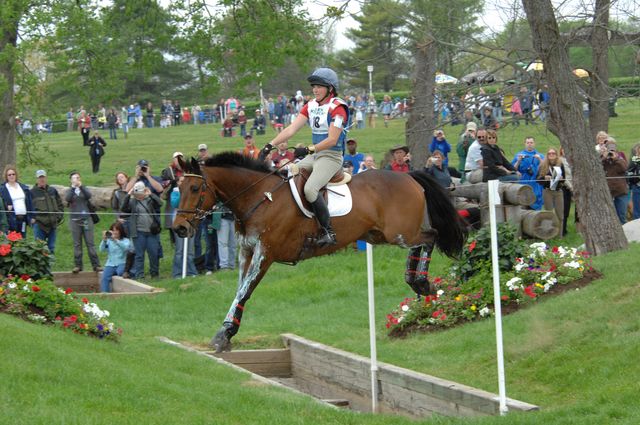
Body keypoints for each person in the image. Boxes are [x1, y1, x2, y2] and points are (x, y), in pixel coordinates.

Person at [259, 67, 349, 247]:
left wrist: (309, 149)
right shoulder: (311, 105)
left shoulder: (338, 108)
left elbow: (332, 140)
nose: (315, 89)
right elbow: (291, 129)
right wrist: (270, 145)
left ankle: (328, 231)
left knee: (310, 189)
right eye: (313, 86)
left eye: (319, 86)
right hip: (315, 155)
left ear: (330, 89)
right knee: (289, 173)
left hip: (331, 157)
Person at [121, 181, 163, 279]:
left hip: (152, 233)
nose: (139, 196)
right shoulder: (133, 202)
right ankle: (140, 275)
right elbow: (123, 208)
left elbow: (160, 203)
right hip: (138, 233)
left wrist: (151, 194)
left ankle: (155, 274)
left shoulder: (150, 200)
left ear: (144, 191)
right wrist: (128, 195)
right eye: (137, 194)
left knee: (153, 254)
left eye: (140, 194)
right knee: (139, 255)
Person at [65, 172, 101, 273]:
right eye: (73, 178)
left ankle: (96, 265)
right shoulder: (69, 190)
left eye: (77, 178)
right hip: (74, 220)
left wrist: (81, 187)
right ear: (70, 180)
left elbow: (88, 196)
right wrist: (73, 188)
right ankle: (78, 265)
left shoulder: (84, 189)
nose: (76, 180)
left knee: (90, 243)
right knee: (77, 244)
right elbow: (67, 199)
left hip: (86, 219)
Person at [30, 170, 64, 255]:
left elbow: (60, 204)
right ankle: (40, 268)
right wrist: (32, 219)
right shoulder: (32, 192)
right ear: (36, 179)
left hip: (53, 224)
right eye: (40, 177)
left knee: (51, 248)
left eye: (43, 177)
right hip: (39, 225)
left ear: (46, 178)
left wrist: (59, 217)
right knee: (39, 249)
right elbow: (28, 208)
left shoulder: (52, 190)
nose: (42, 179)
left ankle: (49, 268)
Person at [170, 177, 197, 278]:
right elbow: (175, 203)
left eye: (184, 181)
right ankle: (177, 273)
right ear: (177, 183)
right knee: (179, 250)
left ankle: (191, 272)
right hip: (179, 223)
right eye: (180, 181)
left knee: (190, 250)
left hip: (190, 222)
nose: (182, 183)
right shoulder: (175, 192)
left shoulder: (190, 192)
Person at [537, 148, 566, 235]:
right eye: (549, 153)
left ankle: (559, 235)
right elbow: (538, 179)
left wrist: (561, 179)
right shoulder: (543, 165)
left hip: (558, 191)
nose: (551, 155)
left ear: (556, 155)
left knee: (560, 214)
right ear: (547, 155)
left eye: (553, 153)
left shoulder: (560, 165)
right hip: (547, 191)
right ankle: (549, 234)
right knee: (549, 213)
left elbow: (564, 179)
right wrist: (544, 178)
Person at [0, 165, 33, 238]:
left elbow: (29, 203)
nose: (11, 176)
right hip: (11, 219)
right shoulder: (3, 189)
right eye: (9, 175)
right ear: (6, 176)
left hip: (23, 219)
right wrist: (7, 206)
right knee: (12, 241)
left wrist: (31, 216)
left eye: (13, 174)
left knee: (23, 240)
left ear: (16, 175)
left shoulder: (23, 187)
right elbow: (1, 204)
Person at [512, 137, 544, 210]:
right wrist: (519, 161)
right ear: (525, 144)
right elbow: (513, 169)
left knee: (536, 206)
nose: (529, 144)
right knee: (523, 206)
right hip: (523, 183)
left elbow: (546, 168)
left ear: (534, 144)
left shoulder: (540, 155)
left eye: (531, 142)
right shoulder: (518, 155)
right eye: (528, 142)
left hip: (536, 184)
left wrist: (539, 159)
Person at [99, 222, 132, 292]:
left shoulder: (126, 240)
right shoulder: (108, 241)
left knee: (120, 272)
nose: (115, 232)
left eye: (116, 230)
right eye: (113, 230)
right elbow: (101, 249)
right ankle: (105, 294)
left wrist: (115, 240)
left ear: (121, 231)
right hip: (110, 264)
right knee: (105, 278)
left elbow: (126, 248)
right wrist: (104, 240)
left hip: (122, 263)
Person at [601, 141, 628, 224]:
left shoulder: (620, 159)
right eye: (610, 150)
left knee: (621, 215)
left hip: (621, 192)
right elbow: (597, 168)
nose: (611, 152)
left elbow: (624, 168)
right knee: (609, 217)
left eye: (613, 150)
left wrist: (616, 159)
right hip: (607, 192)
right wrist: (603, 157)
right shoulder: (603, 159)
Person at [626, 144, 640, 221]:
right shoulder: (634, 160)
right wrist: (636, 177)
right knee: (637, 210)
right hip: (637, 188)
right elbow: (628, 173)